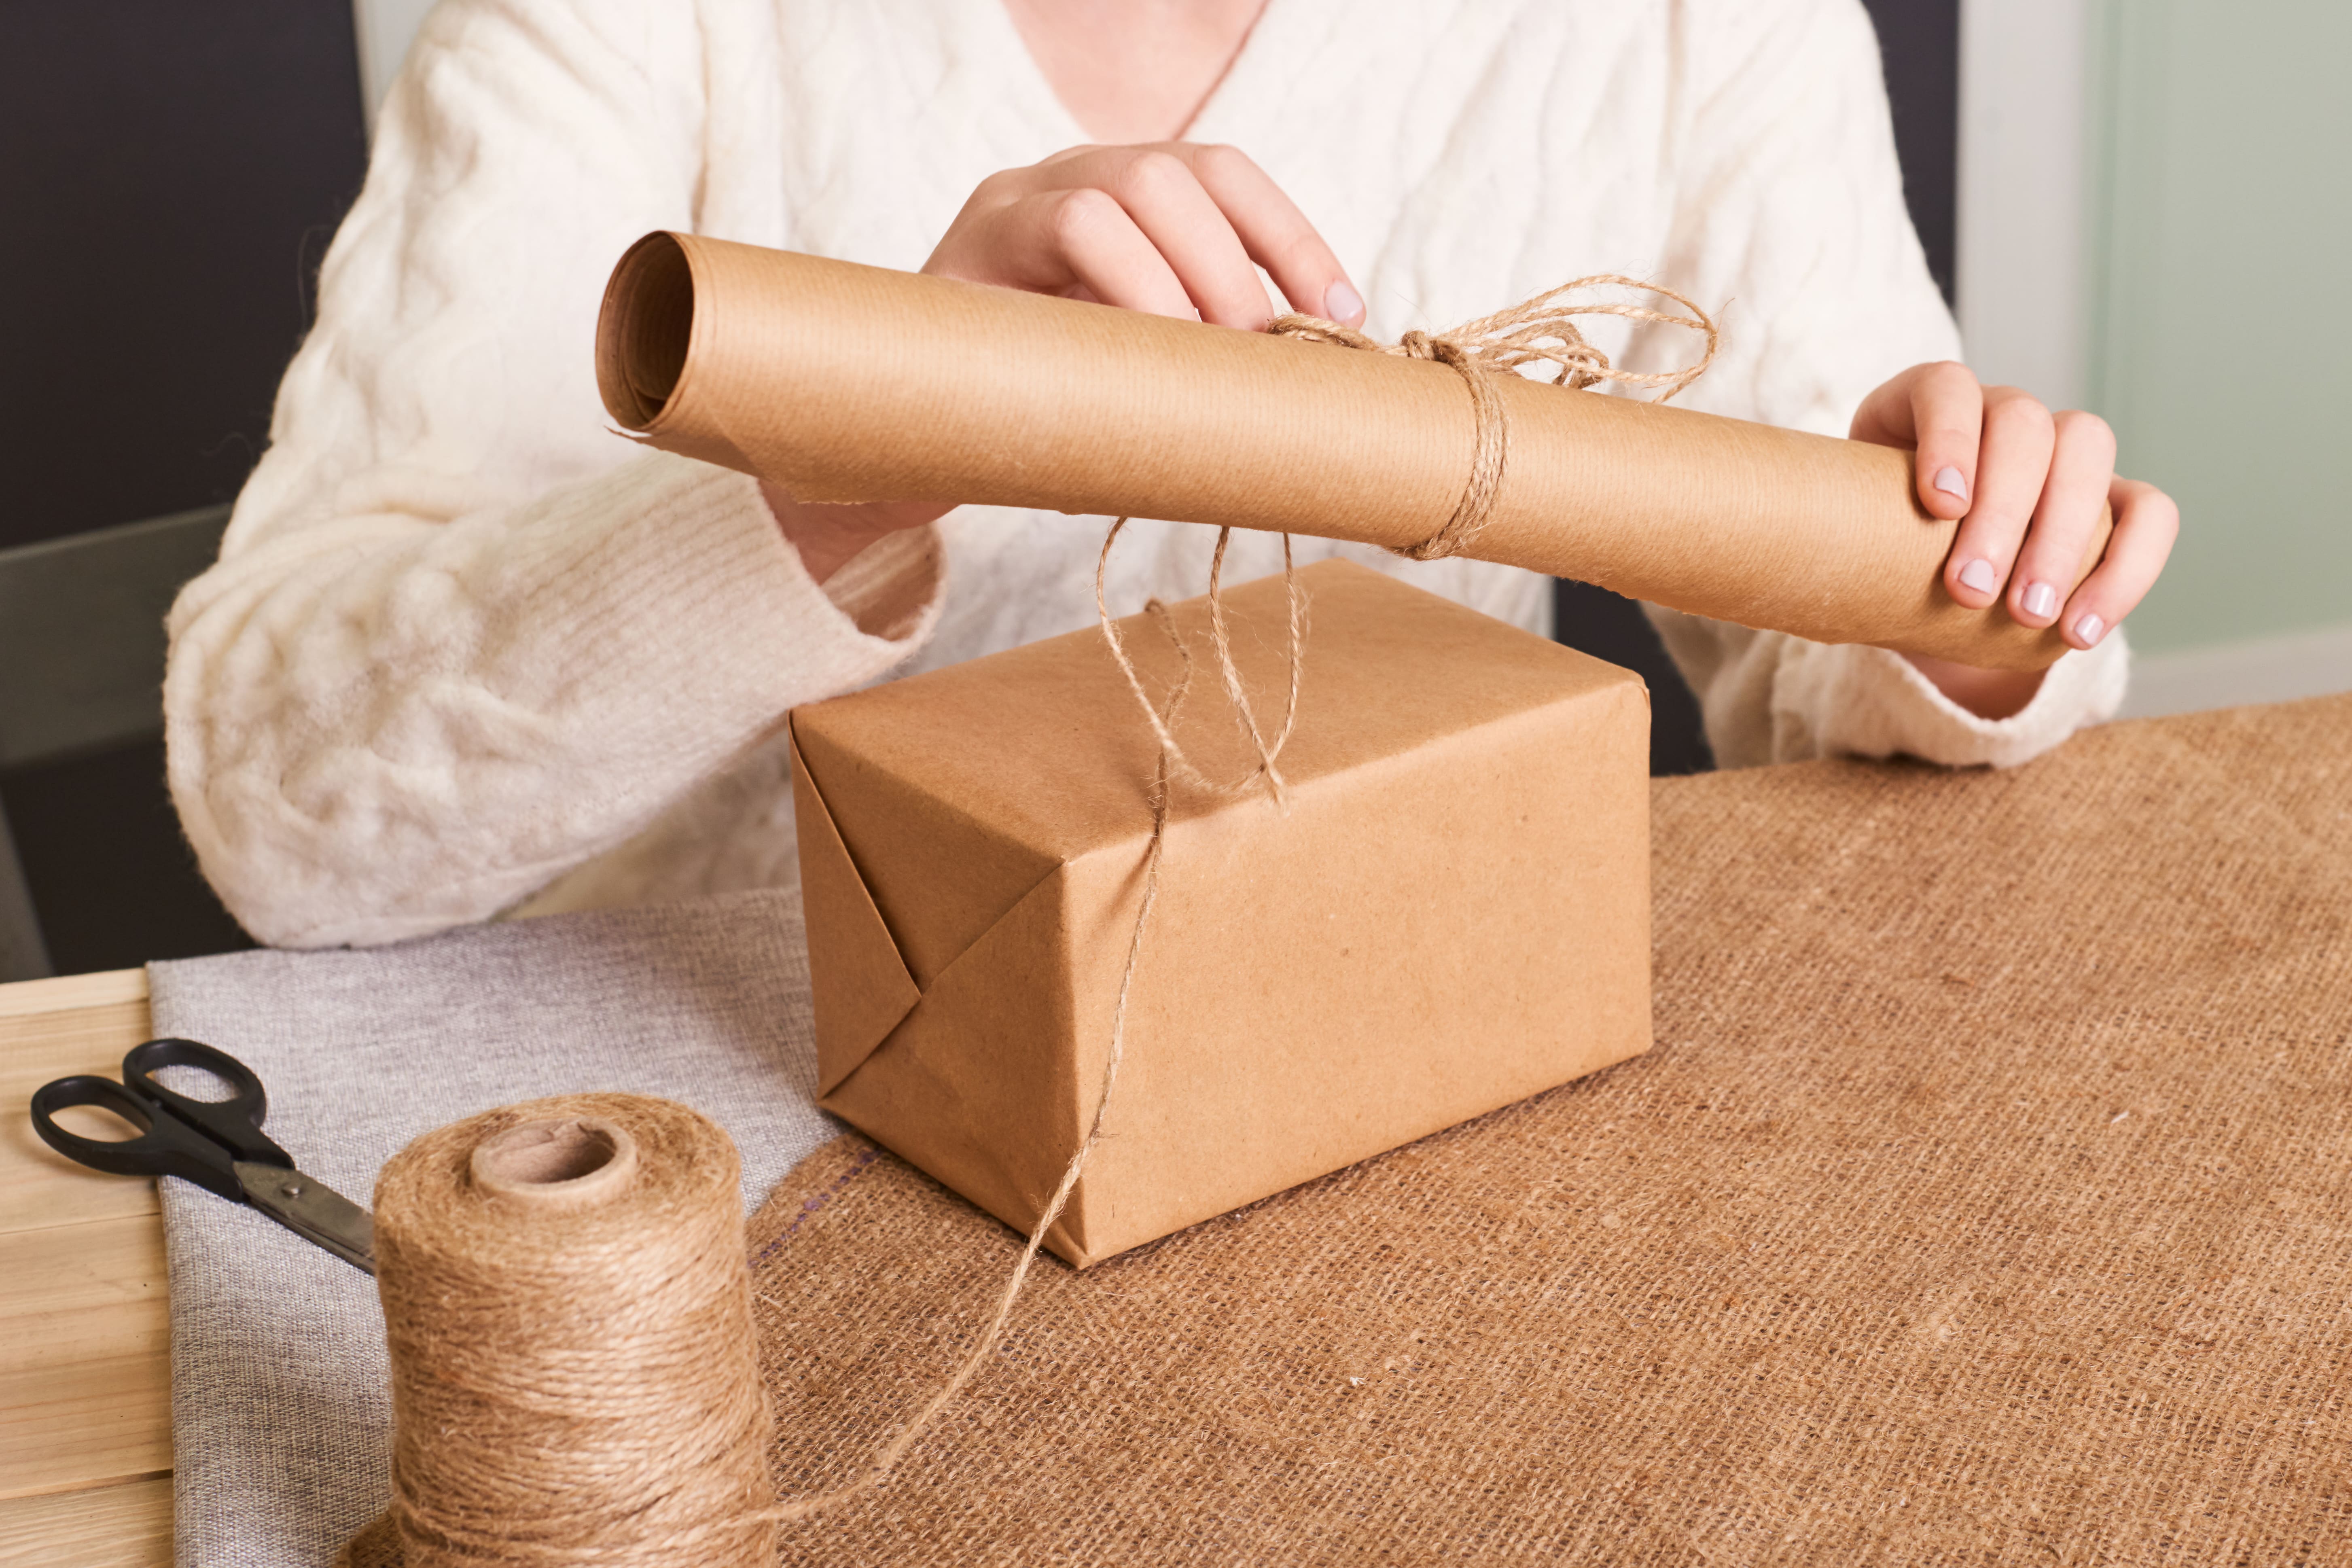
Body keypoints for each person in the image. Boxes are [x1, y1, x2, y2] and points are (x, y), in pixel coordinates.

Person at [163, 0, 2178, 951]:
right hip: (711, 1113)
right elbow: (286, 819)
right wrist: (852, 468)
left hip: (1380, 1047)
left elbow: (1854, 681)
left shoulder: (1690, 28)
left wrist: (1980, 610)